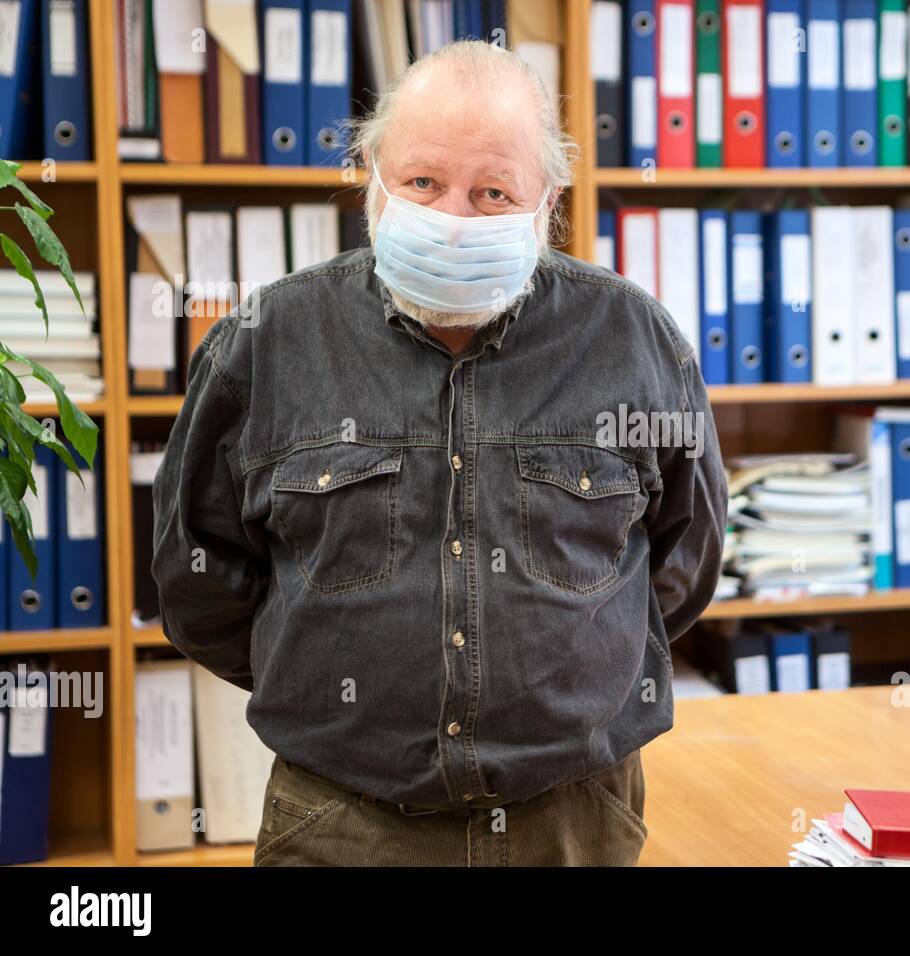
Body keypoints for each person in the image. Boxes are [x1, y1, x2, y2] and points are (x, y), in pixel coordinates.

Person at [151, 40, 727, 866]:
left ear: (548, 200)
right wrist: (333, 694)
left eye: (493, 192)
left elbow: (681, 562)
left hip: (573, 821)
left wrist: (566, 690)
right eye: (422, 183)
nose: (453, 218)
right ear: (370, 170)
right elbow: (198, 577)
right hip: (338, 819)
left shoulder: (635, 342)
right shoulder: (264, 344)